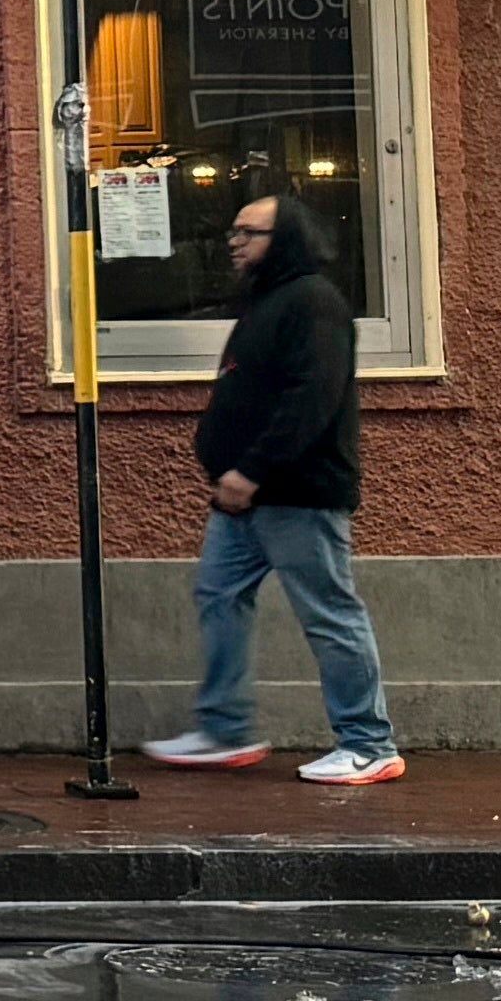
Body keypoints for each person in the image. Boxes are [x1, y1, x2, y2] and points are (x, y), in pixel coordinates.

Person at [142, 185, 406, 787]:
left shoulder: (313, 302)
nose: (233, 242)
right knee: (218, 594)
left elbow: (312, 396)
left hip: (295, 494)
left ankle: (368, 742)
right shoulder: (265, 302)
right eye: (234, 232)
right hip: (244, 498)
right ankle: (224, 730)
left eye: (248, 233)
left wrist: (252, 469)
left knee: (330, 613)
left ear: (283, 239)